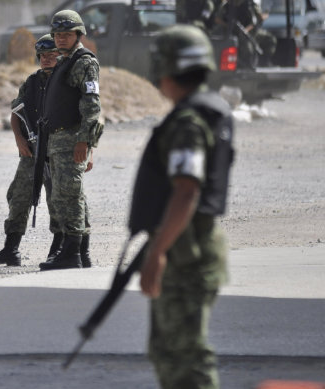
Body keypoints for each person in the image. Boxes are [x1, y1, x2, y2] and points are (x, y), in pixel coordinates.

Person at [132, 24, 233, 389]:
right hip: (188, 245)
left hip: (185, 252)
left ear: (166, 68)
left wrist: (157, 252)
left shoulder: (188, 123)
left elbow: (186, 191)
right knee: (169, 352)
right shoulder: (202, 112)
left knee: (185, 359)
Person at [0, 34, 61, 267]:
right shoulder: (32, 82)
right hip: (32, 151)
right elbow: (16, 113)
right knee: (18, 196)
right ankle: (11, 249)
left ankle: (58, 250)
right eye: (42, 56)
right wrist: (19, 139)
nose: (46, 59)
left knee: (58, 200)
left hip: (57, 152)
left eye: (52, 55)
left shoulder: (67, 82)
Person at [38, 10, 102, 271]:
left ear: (78, 34)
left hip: (72, 138)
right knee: (66, 195)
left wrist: (85, 142)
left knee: (70, 195)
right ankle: (80, 252)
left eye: (67, 34)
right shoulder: (64, 62)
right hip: (58, 138)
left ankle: (72, 251)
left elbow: (92, 105)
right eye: (58, 34)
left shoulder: (84, 62)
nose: (61, 38)